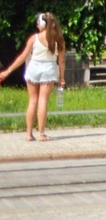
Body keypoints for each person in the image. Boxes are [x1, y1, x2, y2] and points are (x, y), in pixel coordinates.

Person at [4, 12, 65, 141]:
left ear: (42, 24)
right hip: (49, 69)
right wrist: (61, 77)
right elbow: (61, 61)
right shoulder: (58, 39)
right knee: (43, 101)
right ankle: (41, 134)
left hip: (33, 68)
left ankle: (29, 134)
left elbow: (22, 57)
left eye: (38, 22)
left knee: (32, 101)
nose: (37, 25)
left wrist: (8, 71)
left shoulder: (34, 38)